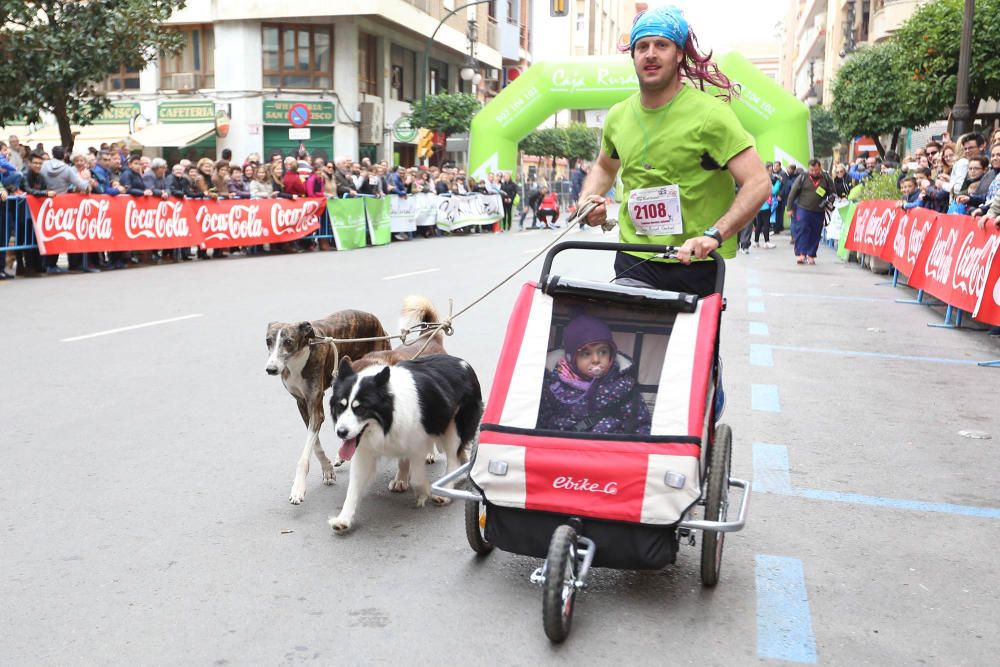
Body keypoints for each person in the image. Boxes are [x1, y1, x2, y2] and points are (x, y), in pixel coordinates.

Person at [577, 4, 770, 296]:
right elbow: (605, 166)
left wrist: (714, 236)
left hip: (693, 259)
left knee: (688, 344)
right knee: (633, 340)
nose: (651, 53)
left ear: (679, 54)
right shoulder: (618, 116)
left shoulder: (711, 115)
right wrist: (587, 202)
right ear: (633, 56)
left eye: (661, 45)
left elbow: (757, 182)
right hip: (634, 257)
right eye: (642, 46)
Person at [536, 314, 651, 435]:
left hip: (609, 448)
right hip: (566, 448)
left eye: (603, 352)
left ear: (611, 354)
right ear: (571, 358)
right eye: (586, 353)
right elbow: (541, 421)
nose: (596, 359)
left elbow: (640, 424)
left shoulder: (623, 385)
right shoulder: (555, 385)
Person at [788, 159, 834, 265]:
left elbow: (832, 193)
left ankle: (811, 254)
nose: (813, 172)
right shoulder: (803, 177)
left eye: (816, 170)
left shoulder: (826, 178)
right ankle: (801, 254)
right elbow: (792, 193)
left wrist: (828, 201)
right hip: (803, 209)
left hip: (819, 211)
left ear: (820, 168)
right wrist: (789, 208)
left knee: (816, 232)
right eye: (811, 170)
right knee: (802, 230)